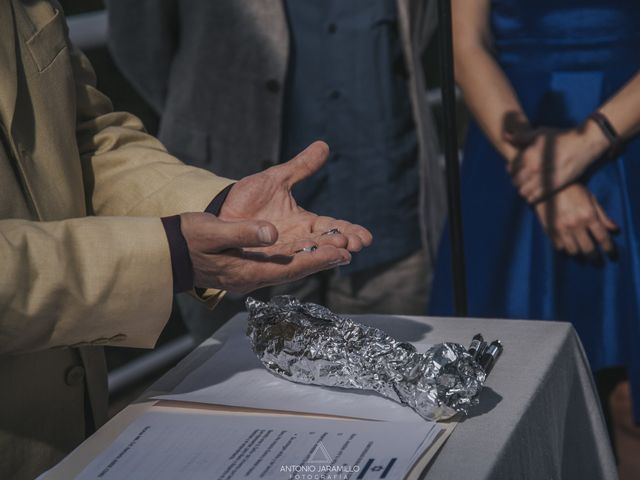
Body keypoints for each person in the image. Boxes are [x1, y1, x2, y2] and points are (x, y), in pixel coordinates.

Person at [0, 2, 372, 478]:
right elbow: (141, 45)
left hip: (81, 434)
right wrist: (170, 254)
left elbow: (90, 138)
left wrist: (216, 208)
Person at [106, 0, 446, 319]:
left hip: (390, 200)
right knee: (241, 378)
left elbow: (420, 27)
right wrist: (200, 116)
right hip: (240, 203)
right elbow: (139, 40)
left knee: (397, 367)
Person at [429, 0, 640, 450]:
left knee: (631, 401)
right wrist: (539, 173)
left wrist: (591, 140)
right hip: (510, 143)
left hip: (630, 139)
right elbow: (466, 45)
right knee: (515, 396)